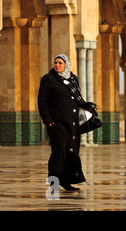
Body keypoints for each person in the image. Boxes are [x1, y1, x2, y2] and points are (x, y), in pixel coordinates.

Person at [38, 54, 93, 191]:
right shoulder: (48, 79)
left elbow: (77, 99)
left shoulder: (72, 79)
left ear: (66, 64)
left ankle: (66, 180)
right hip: (57, 124)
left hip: (72, 123)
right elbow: (42, 101)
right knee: (59, 150)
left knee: (71, 150)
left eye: (60, 63)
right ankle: (54, 180)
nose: (57, 65)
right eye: (55, 62)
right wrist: (48, 120)